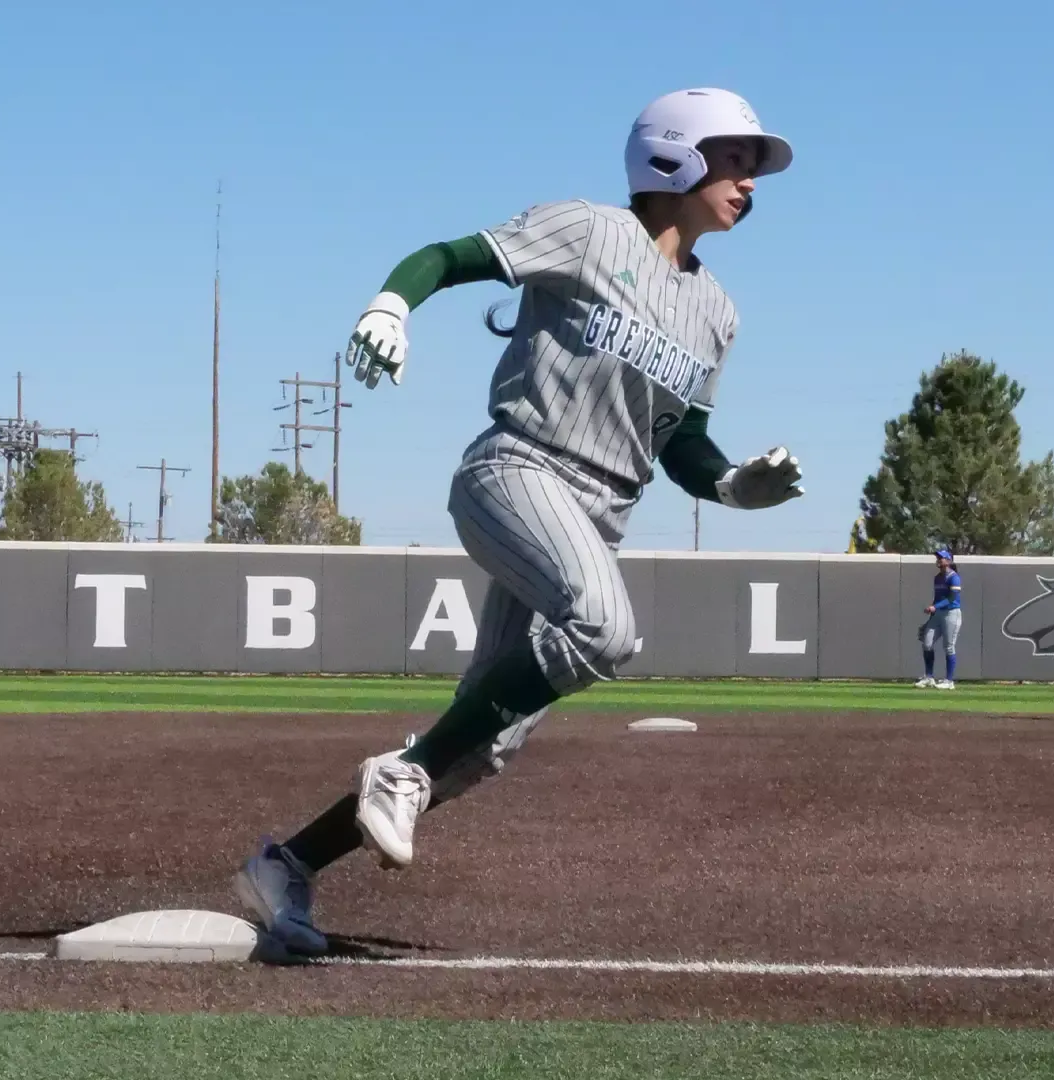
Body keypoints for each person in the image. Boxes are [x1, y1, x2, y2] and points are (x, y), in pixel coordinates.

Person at [231, 88, 804, 959]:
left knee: (483, 743)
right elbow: (452, 255)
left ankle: (290, 861)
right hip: (519, 470)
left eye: (753, 168)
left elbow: (680, 436)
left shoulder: (717, 311)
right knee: (607, 633)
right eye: (736, 159)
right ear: (674, 155)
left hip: (599, 514)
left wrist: (728, 485)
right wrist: (392, 303)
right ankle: (402, 772)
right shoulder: (588, 230)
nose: (750, 182)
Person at [916, 549, 962, 688]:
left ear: (948, 561)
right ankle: (929, 677)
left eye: (941, 558)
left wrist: (935, 607)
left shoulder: (954, 577)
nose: (938, 560)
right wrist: (931, 615)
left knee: (949, 647)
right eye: (937, 558)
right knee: (927, 642)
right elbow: (937, 598)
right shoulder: (937, 577)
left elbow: (952, 598)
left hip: (951, 613)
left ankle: (949, 681)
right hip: (938, 614)